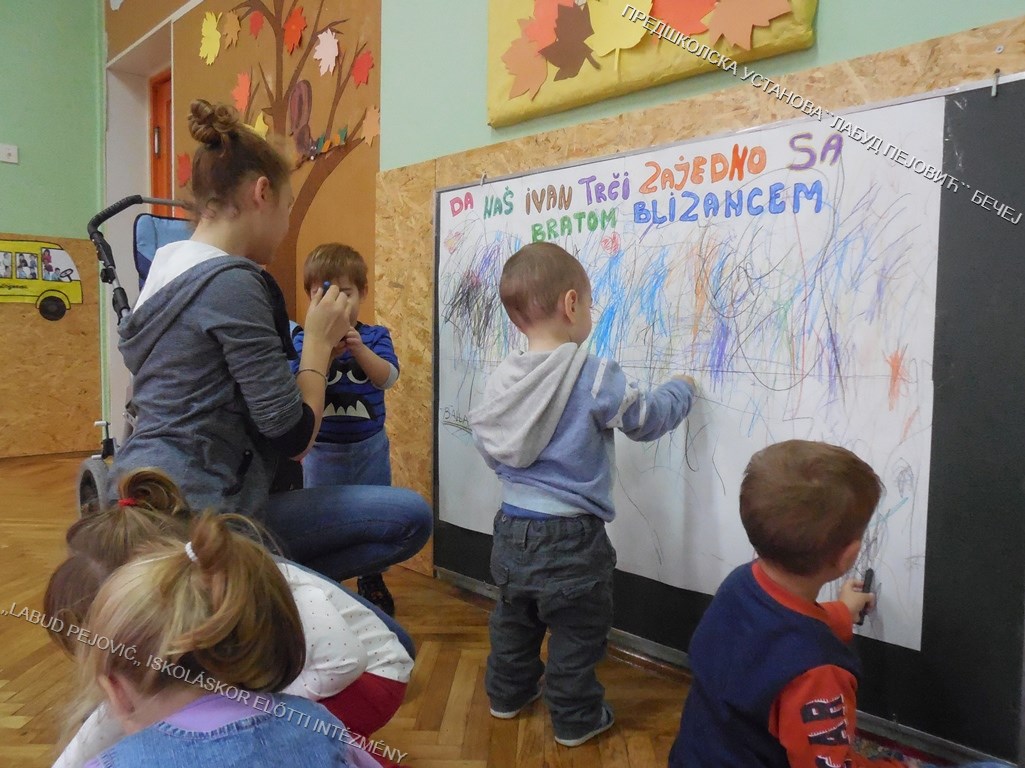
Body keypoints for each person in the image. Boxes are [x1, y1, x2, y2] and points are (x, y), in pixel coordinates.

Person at [110, 99, 431, 584]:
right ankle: (263, 586)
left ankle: (269, 585)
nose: (285, 227)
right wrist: (317, 344)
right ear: (262, 192)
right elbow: (294, 437)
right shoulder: (233, 284)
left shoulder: (165, 273)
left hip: (157, 494)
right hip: (211, 514)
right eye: (286, 207)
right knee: (409, 519)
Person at [468, 242, 697, 748]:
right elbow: (646, 419)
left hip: (510, 527)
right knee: (576, 633)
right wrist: (681, 388)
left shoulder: (503, 377)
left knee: (514, 620)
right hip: (571, 537)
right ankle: (575, 720)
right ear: (571, 304)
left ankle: (506, 695)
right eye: (590, 303)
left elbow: (490, 443)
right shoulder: (593, 375)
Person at [667, 440, 1006, 768]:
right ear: (848, 556)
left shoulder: (740, 583)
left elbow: (770, 637)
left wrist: (841, 614)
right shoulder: (817, 675)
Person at [46, 468, 414, 768]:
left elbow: (347, 661)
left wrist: (252, 707)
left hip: (368, 676)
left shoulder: (247, 583)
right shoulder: (200, 598)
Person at [291, 243, 400, 615]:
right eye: (323, 294)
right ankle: (327, 580)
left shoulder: (376, 336)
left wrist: (359, 350)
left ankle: (372, 575)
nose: (336, 303)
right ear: (310, 297)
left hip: (370, 448)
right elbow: (297, 387)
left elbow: (388, 378)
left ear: (363, 293)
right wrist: (321, 352)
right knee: (323, 519)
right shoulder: (303, 341)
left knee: (374, 516)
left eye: (346, 293)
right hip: (322, 452)